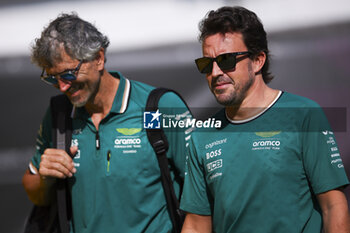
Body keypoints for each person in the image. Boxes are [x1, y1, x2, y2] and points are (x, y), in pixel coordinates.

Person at [179, 6, 350, 233]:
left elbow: (333, 206)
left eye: (227, 60)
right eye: (206, 64)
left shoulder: (304, 115)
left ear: (258, 60)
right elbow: (197, 224)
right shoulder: (202, 136)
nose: (216, 72)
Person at [22, 13, 191, 233]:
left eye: (69, 75)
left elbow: (203, 191)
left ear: (99, 58)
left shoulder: (158, 108)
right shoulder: (60, 115)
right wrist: (45, 177)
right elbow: (35, 192)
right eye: (53, 78)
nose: (62, 87)